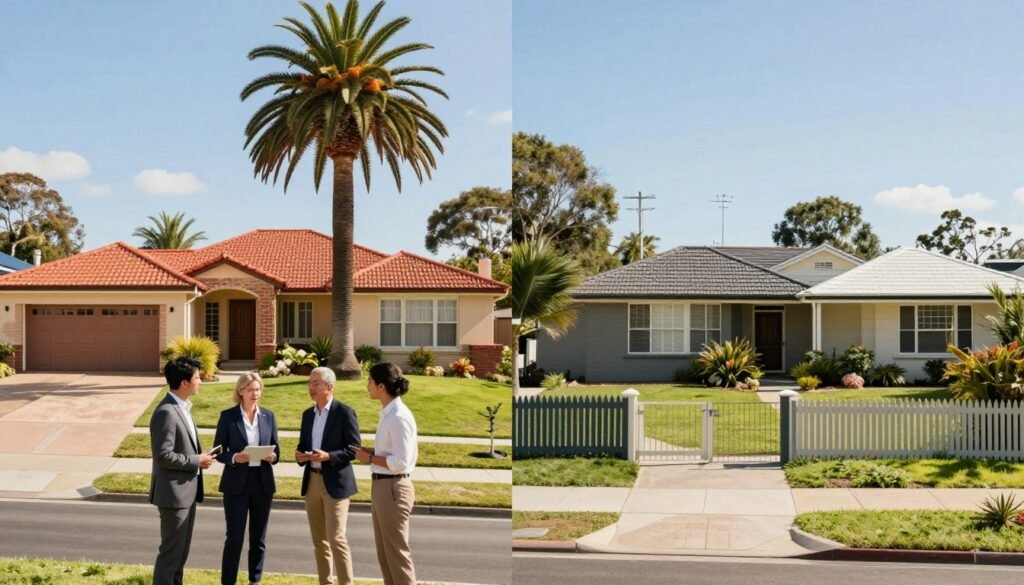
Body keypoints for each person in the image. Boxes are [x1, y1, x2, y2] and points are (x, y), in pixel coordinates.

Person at [150, 356, 215, 585]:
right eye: (197, 377)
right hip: (173, 496)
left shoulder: (183, 408)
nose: (200, 381)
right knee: (170, 556)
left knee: (180, 556)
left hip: (186, 493)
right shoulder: (167, 412)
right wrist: (196, 460)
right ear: (184, 383)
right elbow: (163, 455)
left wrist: (198, 458)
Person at [352, 362, 419, 585]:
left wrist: (370, 459)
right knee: (385, 555)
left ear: (381, 386)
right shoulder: (388, 413)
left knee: (397, 555)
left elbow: (400, 462)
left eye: (370, 381)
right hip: (382, 486)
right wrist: (370, 451)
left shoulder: (399, 417)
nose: (367, 386)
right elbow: (391, 452)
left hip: (393, 487)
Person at [213, 372, 280, 585]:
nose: (255, 393)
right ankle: (228, 582)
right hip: (236, 485)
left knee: (258, 539)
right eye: (251, 389)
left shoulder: (268, 416)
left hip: (262, 484)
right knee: (234, 538)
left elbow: (276, 448)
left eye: (258, 389)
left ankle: (255, 580)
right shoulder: (228, 417)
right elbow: (218, 451)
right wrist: (235, 456)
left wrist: (273, 456)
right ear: (241, 391)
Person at [295, 366, 361, 585]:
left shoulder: (345, 413)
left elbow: (354, 449)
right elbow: (303, 445)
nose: (311, 387)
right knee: (319, 541)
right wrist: (300, 455)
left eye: (316, 383)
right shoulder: (307, 414)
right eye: (310, 383)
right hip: (311, 481)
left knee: (336, 538)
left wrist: (328, 456)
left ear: (329, 386)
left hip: (336, 484)